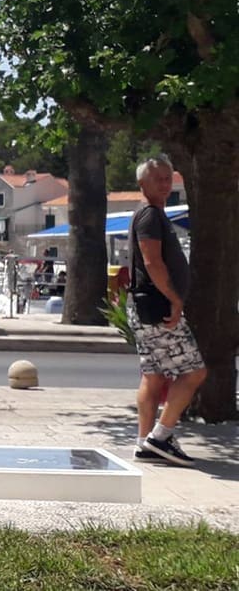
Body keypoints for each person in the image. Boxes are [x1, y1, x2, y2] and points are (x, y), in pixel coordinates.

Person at [128, 154, 206, 466]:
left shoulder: (151, 213)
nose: (165, 184)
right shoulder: (150, 216)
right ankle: (160, 436)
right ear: (142, 183)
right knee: (194, 372)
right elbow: (152, 261)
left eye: (168, 178)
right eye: (158, 179)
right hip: (158, 307)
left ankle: (143, 443)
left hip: (146, 307)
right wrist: (174, 299)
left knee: (153, 376)